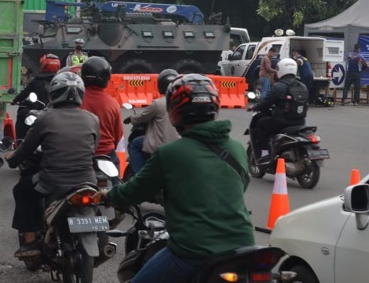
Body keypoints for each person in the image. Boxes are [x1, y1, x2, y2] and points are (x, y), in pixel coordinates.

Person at [98, 74, 255, 283]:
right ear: (215, 107)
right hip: (243, 248)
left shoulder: (170, 153)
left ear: (175, 111)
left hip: (192, 251)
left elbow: (133, 191)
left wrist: (109, 195)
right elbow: (240, 185)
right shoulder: (236, 148)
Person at [5, 71, 99, 258]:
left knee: (21, 190)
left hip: (53, 182)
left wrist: (12, 159)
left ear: (54, 93)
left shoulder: (45, 119)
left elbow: (25, 150)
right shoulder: (92, 119)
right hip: (87, 181)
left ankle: (30, 241)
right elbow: (92, 149)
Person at [249, 58, 309, 164]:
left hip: (282, 122)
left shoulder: (279, 86)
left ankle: (264, 154)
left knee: (260, 125)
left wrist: (255, 107)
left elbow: (266, 102)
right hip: (300, 122)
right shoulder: (302, 86)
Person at [126, 68, 180, 174]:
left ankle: (139, 176)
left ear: (160, 85)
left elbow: (142, 117)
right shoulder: (181, 103)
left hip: (160, 144)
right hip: (179, 144)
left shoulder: (157, 103)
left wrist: (131, 119)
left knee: (135, 144)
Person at [80, 56, 123, 168]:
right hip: (107, 155)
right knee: (116, 183)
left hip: (82, 154)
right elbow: (118, 134)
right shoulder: (113, 103)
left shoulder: (77, 100)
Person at [11, 54, 60, 140]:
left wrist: (15, 100)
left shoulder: (37, 81)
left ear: (44, 66)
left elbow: (24, 94)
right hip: (56, 113)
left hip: (39, 112)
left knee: (22, 113)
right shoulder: (60, 81)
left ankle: (19, 142)